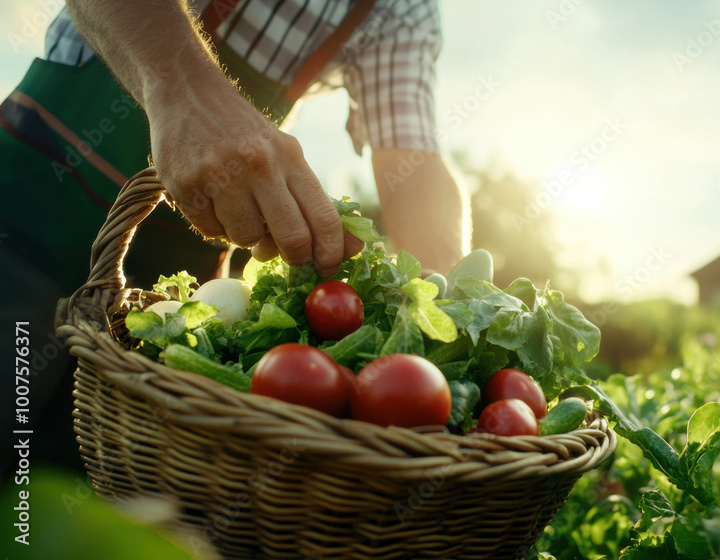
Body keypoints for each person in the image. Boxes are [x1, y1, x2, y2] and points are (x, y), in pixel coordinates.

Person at [0, 0, 468, 477]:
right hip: (26, 203)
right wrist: (181, 91)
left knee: (96, 495)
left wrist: (445, 342)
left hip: (171, 288)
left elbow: (414, 165)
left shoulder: (401, 10)